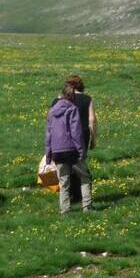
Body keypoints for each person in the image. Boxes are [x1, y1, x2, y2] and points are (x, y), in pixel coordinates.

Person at [50, 75, 98, 203]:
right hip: (81, 137)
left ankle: (69, 199)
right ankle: (83, 200)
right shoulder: (87, 99)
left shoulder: (56, 102)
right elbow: (92, 120)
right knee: (81, 168)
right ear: (81, 86)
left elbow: (50, 123)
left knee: (65, 173)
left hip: (59, 141)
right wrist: (93, 139)